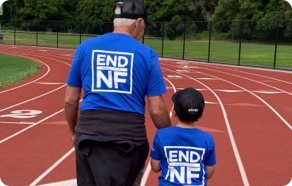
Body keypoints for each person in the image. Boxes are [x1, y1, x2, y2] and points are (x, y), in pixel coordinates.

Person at [63, 0, 171, 185]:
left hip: (88, 134)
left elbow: (71, 100)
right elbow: (156, 110)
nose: (144, 31)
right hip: (128, 137)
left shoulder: (85, 48)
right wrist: (170, 135)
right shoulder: (147, 54)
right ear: (138, 22)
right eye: (144, 26)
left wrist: (74, 132)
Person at [150, 87, 216, 186]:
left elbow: (155, 167)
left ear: (174, 111)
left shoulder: (162, 135)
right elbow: (209, 173)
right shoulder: (207, 139)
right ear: (201, 114)